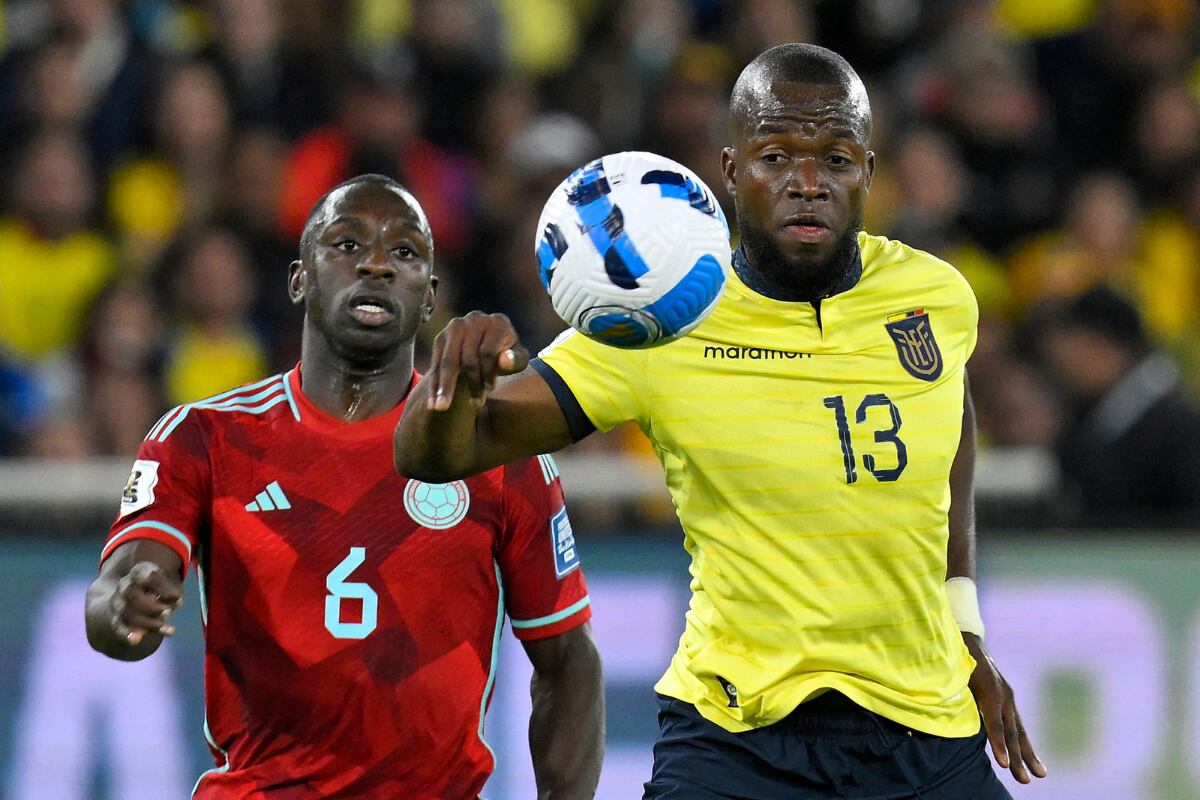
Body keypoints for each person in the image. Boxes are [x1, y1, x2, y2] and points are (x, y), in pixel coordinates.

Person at [395, 44, 1048, 798]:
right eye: (777, 156)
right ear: (732, 172)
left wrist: (965, 629)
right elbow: (435, 456)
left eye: (835, 159)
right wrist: (450, 387)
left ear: (869, 171)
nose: (808, 183)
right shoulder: (659, 318)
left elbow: (949, 423)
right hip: (740, 743)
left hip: (927, 734)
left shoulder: (935, 296)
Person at [85, 175, 604, 799]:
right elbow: (117, 595)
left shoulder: (497, 454)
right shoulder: (203, 437)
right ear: (299, 278)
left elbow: (568, 660)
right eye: (347, 245)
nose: (378, 265)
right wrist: (123, 608)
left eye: (405, 252)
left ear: (429, 295)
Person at [1036, 286, 1200, 526]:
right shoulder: (1093, 414)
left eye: (1073, 346)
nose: (1063, 365)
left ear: (1101, 345)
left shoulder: (1175, 425)